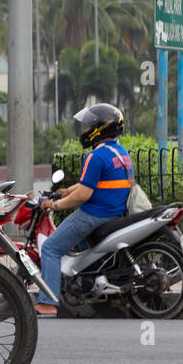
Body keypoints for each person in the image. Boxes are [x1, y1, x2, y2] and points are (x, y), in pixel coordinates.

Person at [35, 103, 132, 316]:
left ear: (100, 128)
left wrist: (55, 204)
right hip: (114, 213)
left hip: (94, 215)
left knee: (50, 248)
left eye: (89, 126)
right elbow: (92, 184)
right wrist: (67, 190)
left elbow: (84, 195)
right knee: (77, 243)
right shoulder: (120, 153)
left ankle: (47, 302)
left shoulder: (95, 157)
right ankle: (84, 282)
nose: (86, 131)